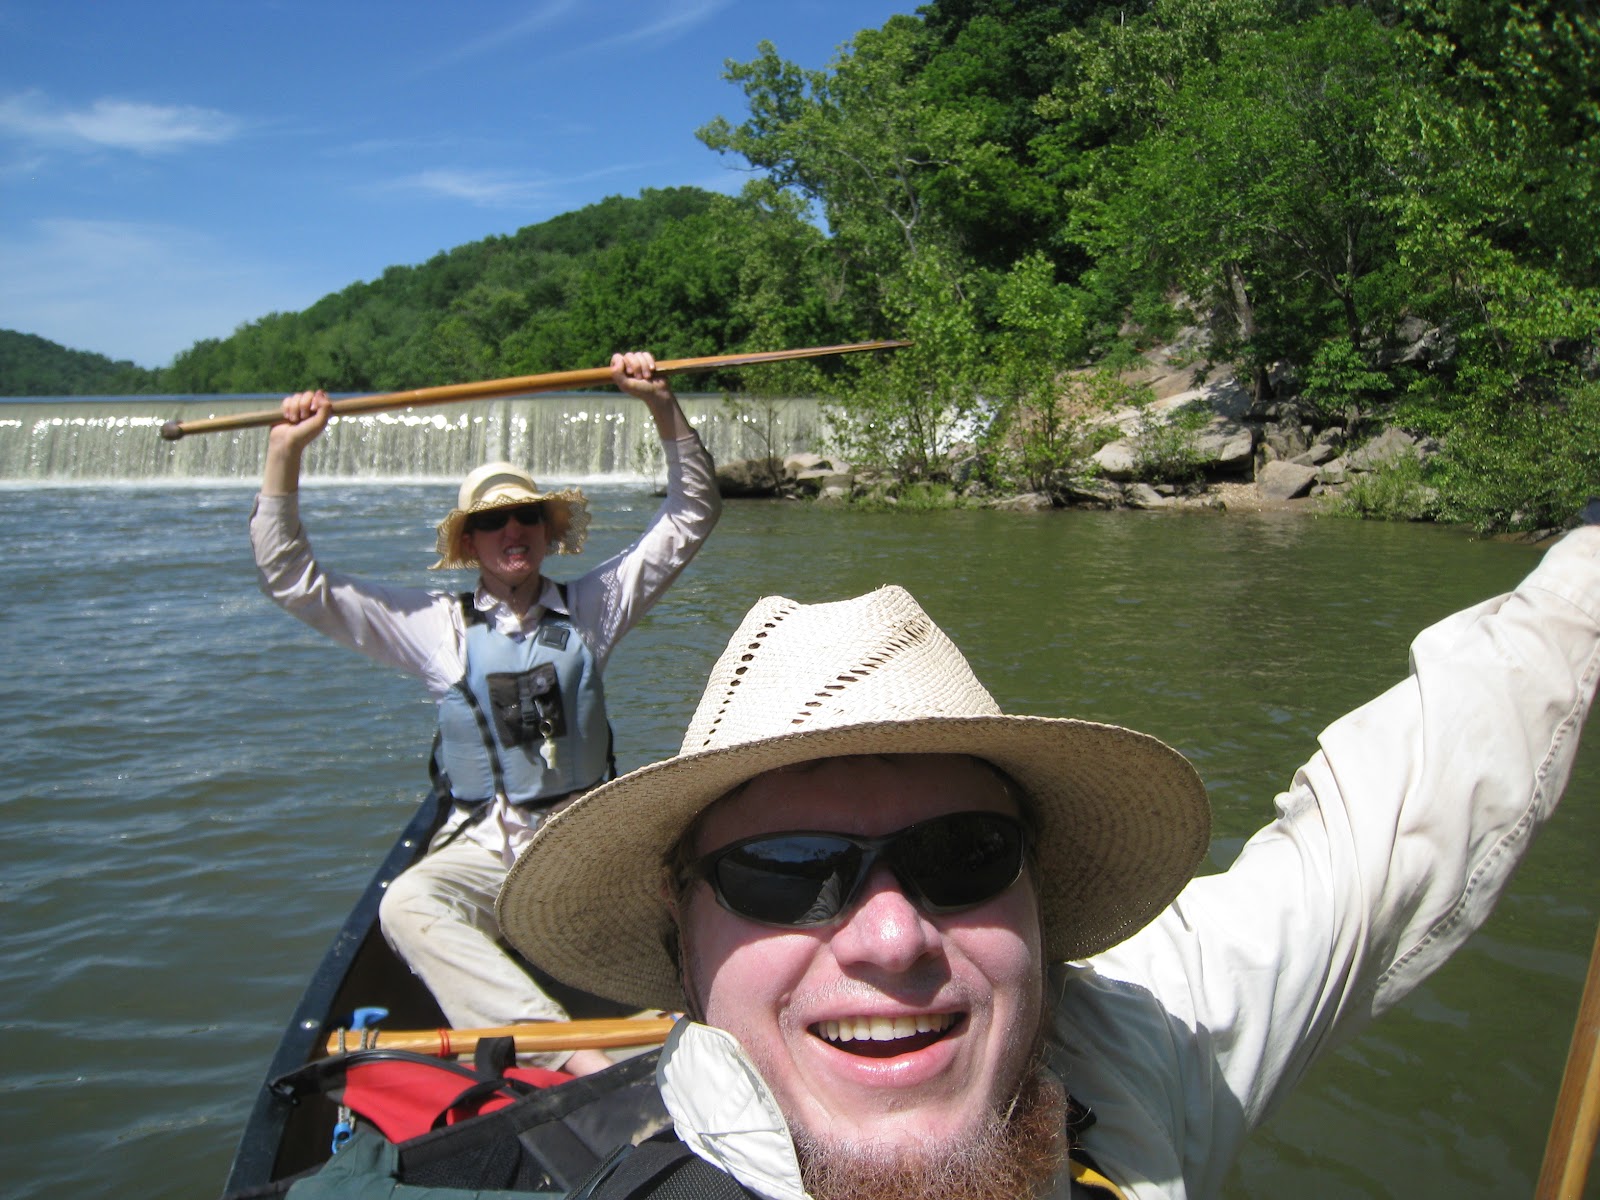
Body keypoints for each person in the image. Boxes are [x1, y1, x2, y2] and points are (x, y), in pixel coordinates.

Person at [492, 521, 1600, 1198]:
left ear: (1036, 906)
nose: (891, 937)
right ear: (678, 940)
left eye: (964, 856)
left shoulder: (1129, 1052)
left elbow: (1399, 811)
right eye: (783, 869)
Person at [250, 351, 721, 1077]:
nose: (513, 530)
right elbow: (293, 578)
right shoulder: (433, 627)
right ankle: (574, 1055)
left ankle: (670, 1021)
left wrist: (661, 406)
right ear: (469, 541)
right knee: (405, 904)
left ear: (545, 530)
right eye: (493, 520)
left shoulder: (595, 608)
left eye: (526, 516)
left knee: (702, 896)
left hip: (581, 842)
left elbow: (691, 513)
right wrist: (285, 452)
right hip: (487, 849)